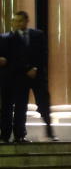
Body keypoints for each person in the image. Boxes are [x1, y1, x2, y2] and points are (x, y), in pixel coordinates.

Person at [0, 11, 56, 143]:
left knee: (43, 103)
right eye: (15, 21)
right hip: (17, 77)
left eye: (20, 20)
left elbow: (43, 53)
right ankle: (14, 135)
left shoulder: (38, 35)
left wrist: (35, 68)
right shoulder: (5, 38)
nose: (17, 23)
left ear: (26, 21)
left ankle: (49, 132)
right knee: (19, 106)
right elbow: (10, 58)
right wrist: (25, 69)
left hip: (37, 75)